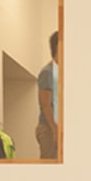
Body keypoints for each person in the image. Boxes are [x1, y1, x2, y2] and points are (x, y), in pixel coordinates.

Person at [36, 30, 61, 160]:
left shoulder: (61, 72)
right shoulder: (48, 72)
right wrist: (54, 129)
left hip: (58, 127)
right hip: (48, 128)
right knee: (50, 165)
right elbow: (46, 104)